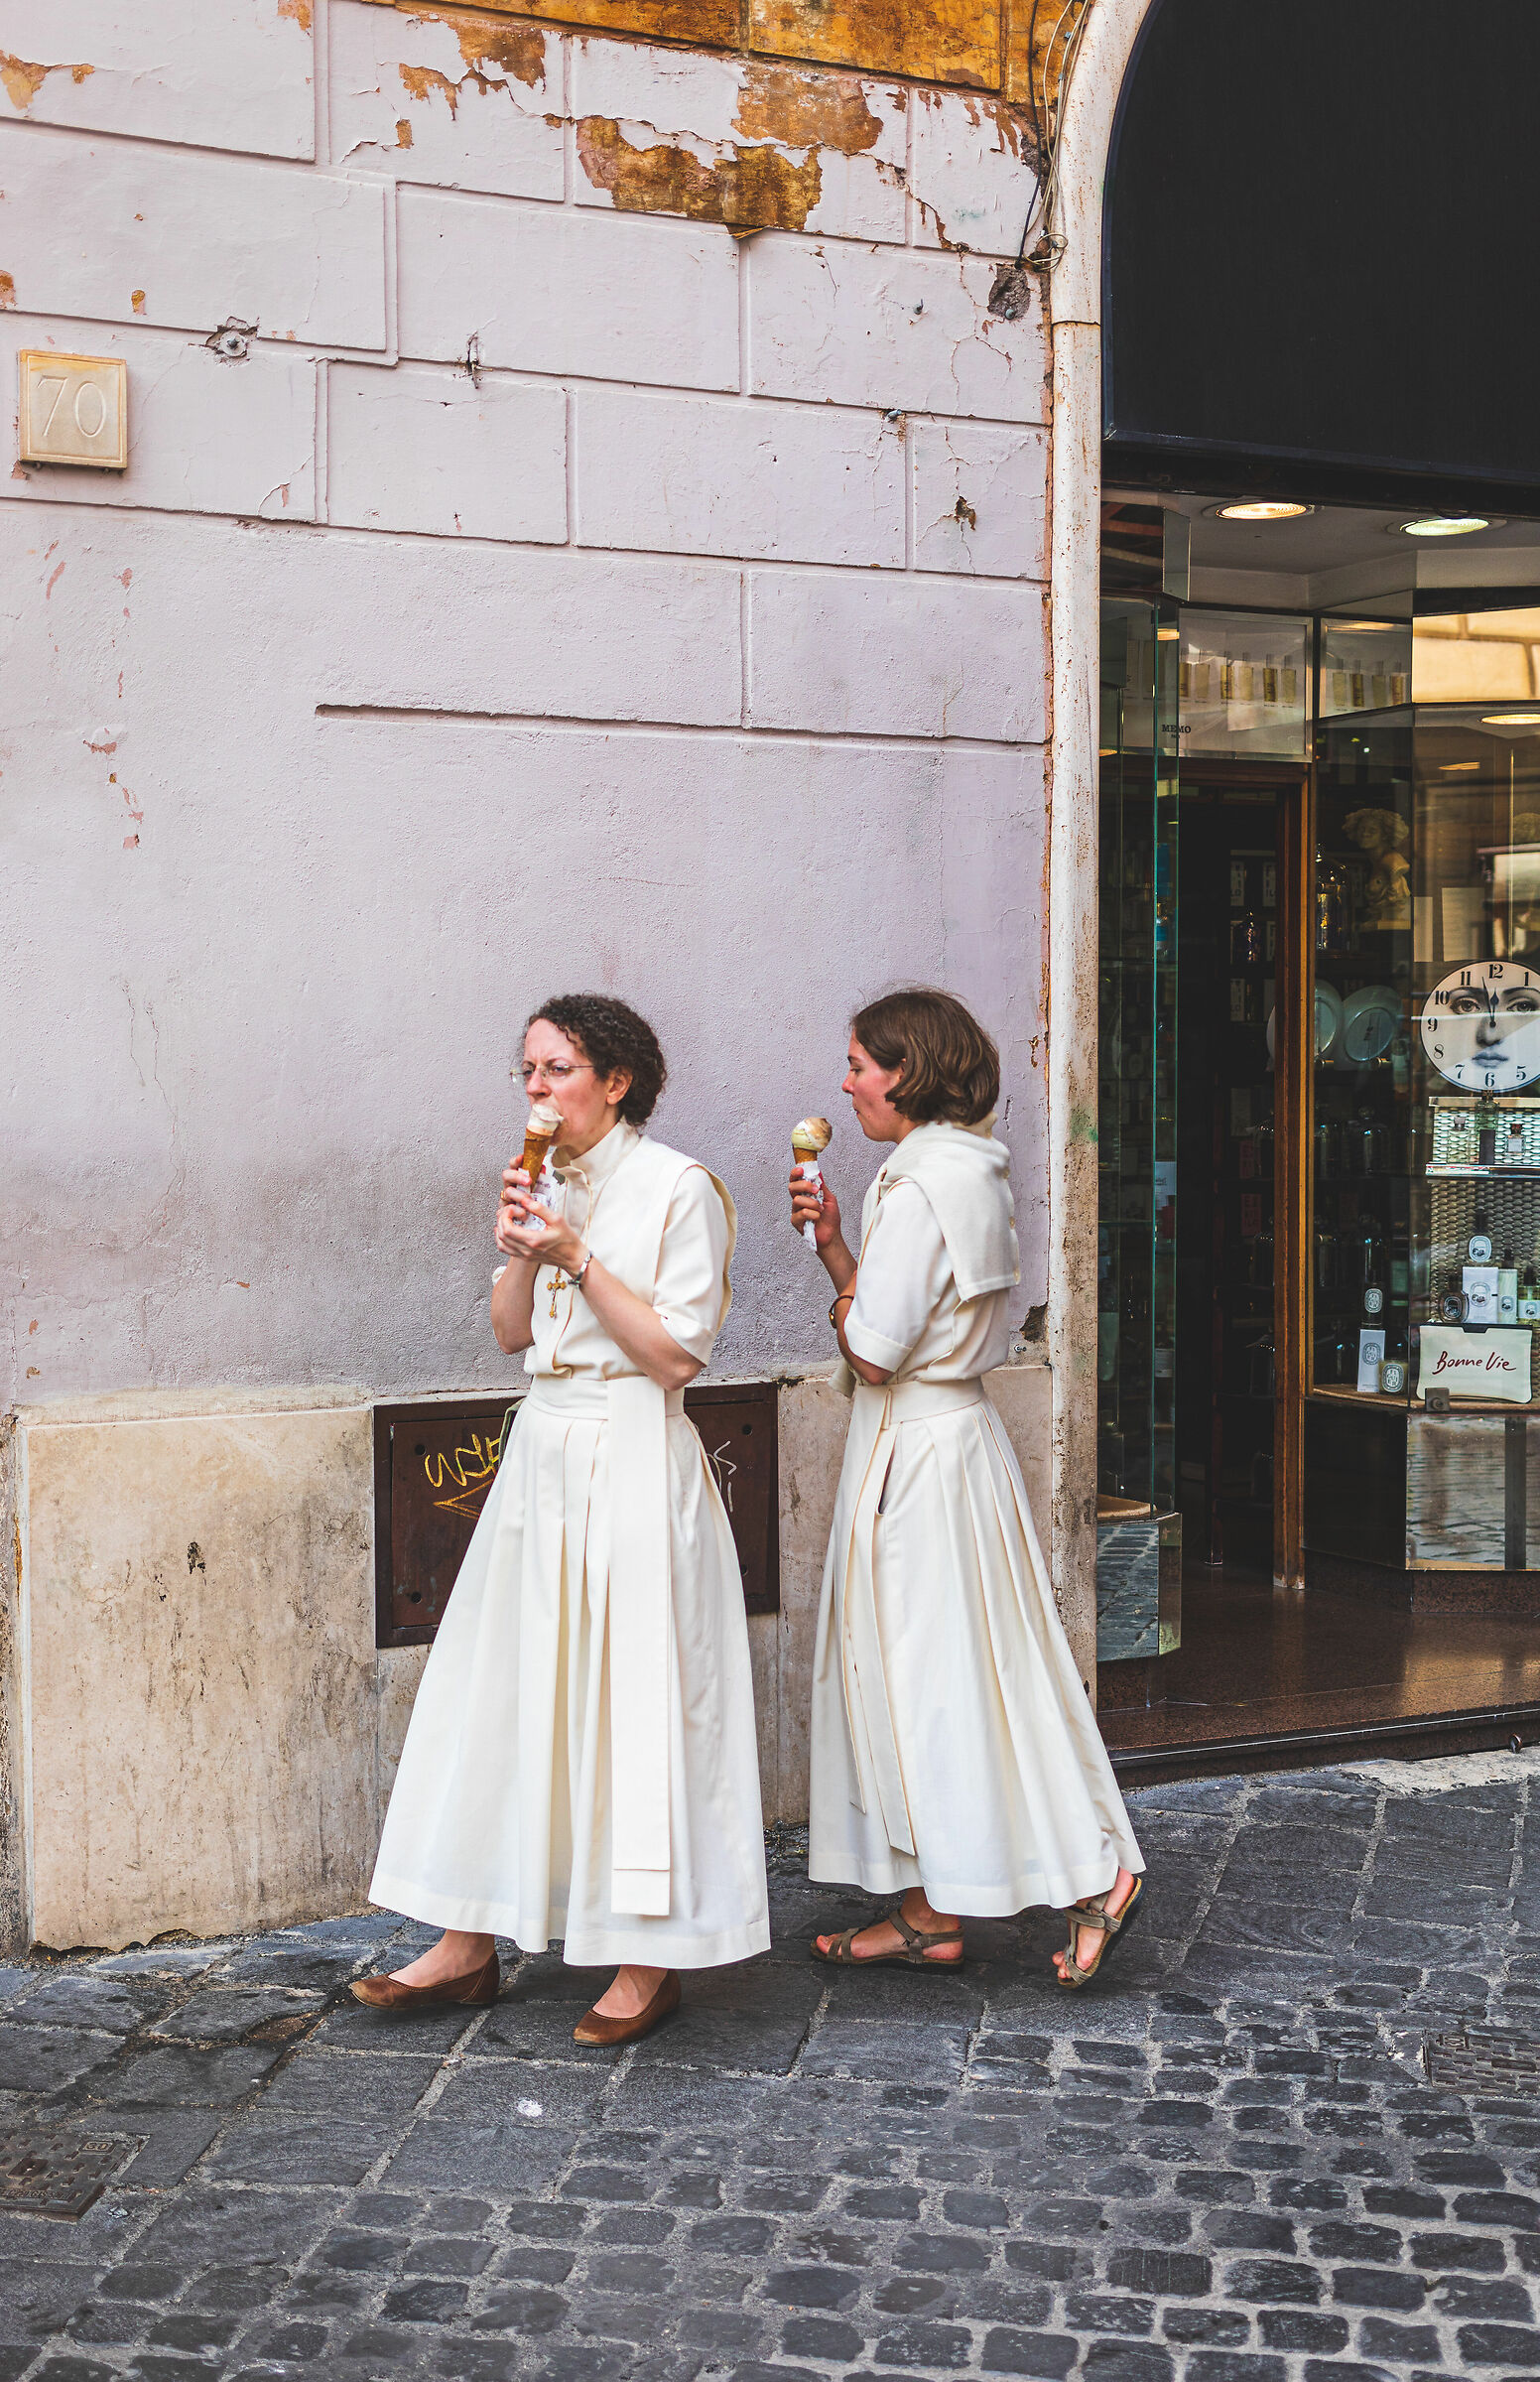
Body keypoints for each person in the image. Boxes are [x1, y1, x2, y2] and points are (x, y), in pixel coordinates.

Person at [353, 994, 769, 2042]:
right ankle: (464, 1945)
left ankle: (646, 1957)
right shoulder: (545, 1184)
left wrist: (578, 1254)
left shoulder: (680, 1188)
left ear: (614, 1080)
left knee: (634, 1701)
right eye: (525, 1072)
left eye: (555, 1069)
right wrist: (524, 1251)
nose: (534, 1089)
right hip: (543, 1449)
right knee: (501, 1689)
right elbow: (505, 1336)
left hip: (631, 1447)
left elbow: (678, 1355)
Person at [792, 988, 1145, 1988]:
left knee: (937, 1684)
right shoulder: (972, 1171)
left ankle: (1094, 1873)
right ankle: (928, 1908)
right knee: (963, 1669)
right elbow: (916, 1325)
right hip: (958, 1441)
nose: (847, 1082)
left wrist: (838, 1271)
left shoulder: (913, 1189)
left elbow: (870, 1351)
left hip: (916, 1455)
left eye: (859, 1063)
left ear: (904, 1074)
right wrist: (832, 1245)